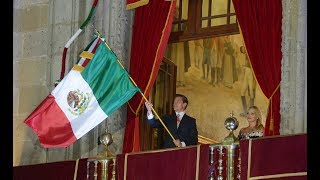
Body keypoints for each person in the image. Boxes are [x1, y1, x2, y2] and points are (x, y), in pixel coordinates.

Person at [239, 46, 256, 117]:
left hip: (250, 73)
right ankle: (245, 111)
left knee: (251, 93)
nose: (244, 51)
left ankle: (251, 113)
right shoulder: (247, 54)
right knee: (242, 92)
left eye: (243, 49)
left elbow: (253, 64)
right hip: (247, 72)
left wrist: (245, 66)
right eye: (243, 51)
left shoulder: (251, 53)